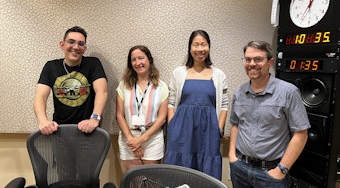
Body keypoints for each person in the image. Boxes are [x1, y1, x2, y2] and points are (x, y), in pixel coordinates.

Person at [228, 41, 311, 187]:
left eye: (258, 59)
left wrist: (281, 170)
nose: (252, 64)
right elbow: (236, 125)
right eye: (248, 59)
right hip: (240, 168)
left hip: (271, 174)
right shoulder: (239, 93)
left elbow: (301, 134)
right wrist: (232, 157)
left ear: (270, 62)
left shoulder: (288, 92)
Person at [33, 26, 108, 180]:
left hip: (88, 133)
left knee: (88, 178)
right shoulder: (51, 67)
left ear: (85, 48)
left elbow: (102, 92)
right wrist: (43, 121)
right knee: (65, 177)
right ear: (62, 44)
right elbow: (40, 97)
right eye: (71, 42)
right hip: (61, 133)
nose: (76, 47)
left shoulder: (93, 64)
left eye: (81, 44)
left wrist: (94, 118)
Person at [164, 30, 228, 180]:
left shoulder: (219, 75)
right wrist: (172, 125)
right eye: (196, 45)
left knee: (206, 172)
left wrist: (219, 127)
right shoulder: (178, 73)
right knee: (179, 172)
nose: (200, 49)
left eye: (203, 44)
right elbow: (171, 101)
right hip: (181, 130)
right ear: (190, 48)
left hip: (209, 132)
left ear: (209, 47)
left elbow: (224, 104)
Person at [116, 45, 169, 171]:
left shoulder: (161, 87)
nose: (137, 63)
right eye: (133, 60)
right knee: (135, 181)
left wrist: (142, 139)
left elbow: (162, 118)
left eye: (141, 58)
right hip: (128, 138)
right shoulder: (124, 85)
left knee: (151, 180)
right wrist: (132, 140)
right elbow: (119, 115)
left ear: (149, 60)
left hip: (152, 138)